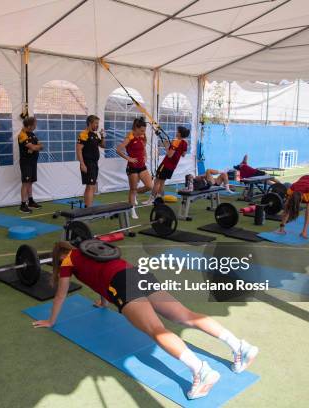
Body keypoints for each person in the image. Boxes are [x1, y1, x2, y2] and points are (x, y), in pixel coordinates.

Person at [33, 242, 259, 400]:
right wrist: (103, 302)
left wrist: (51, 321)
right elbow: (97, 275)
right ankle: (240, 346)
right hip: (135, 273)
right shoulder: (90, 251)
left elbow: (62, 294)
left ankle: (200, 370)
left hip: (120, 283)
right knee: (185, 314)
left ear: (59, 257)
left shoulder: (67, 262)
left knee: (156, 330)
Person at [116, 117, 153, 219]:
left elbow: (143, 147)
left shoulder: (141, 136)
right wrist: (129, 158)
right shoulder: (129, 137)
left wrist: (145, 155)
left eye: (144, 130)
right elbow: (118, 149)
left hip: (142, 166)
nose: (143, 132)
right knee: (132, 189)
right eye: (141, 130)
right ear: (136, 128)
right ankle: (132, 208)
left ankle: (135, 194)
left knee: (150, 186)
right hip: (132, 168)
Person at [144, 126, 189, 204]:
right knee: (162, 183)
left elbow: (169, 155)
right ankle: (159, 199)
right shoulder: (185, 142)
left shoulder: (176, 142)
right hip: (172, 167)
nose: (176, 132)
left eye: (177, 131)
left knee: (157, 182)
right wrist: (172, 146)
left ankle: (151, 200)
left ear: (180, 133)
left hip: (166, 164)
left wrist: (166, 146)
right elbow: (183, 154)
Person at [77, 115, 105, 207]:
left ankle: (87, 207)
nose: (97, 125)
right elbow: (78, 150)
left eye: (98, 123)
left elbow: (102, 146)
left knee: (91, 186)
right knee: (90, 186)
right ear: (90, 123)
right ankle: (88, 209)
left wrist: (103, 136)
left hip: (94, 163)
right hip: (88, 163)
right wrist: (82, 164)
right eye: (96, 123)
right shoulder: (84, 134)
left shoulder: (95, 135)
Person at [18, 116, 43, 213]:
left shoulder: (32, 134)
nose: (35, 126)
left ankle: (31, 201)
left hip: (33, 161)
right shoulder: (22, 135)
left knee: (30, 182)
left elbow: (40, 146)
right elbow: (33, 147)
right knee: (25, 183)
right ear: (29, 126)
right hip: (26, 162)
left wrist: (35, 147)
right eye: (34, 125)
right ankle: (23, 204)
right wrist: (34, 147)